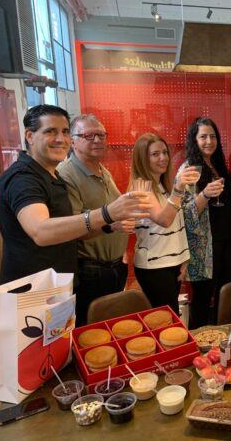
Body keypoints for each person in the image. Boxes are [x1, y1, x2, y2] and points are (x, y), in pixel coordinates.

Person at [0, 104, 149, 286]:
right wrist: (107, 213)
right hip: (31, 290)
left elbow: (70, 230)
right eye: (50, 131)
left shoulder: (52, 175)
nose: (61, 139)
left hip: (57, 284)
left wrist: (108, 226)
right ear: (30, 136)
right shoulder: (22, 178)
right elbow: (40, 231)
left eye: (65, 132)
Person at [57, 114, 134, 326]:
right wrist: (111, 226)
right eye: (89, 136)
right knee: (92, 332)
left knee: (113, 327)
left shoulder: (102, 170)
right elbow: (71, 228)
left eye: (101, 135)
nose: (97, 140)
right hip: (90, 272)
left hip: (114, 267)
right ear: (72, 141)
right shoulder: (66, 174)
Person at [179, 118, 231, 328]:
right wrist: (205, 194)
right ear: (194, 140)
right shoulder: (188, 169)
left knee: (227, 293)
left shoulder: (218, 165)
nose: (209, 141)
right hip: (203, 246)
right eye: (203, 136)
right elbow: (185, 212)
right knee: (203, 298)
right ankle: (197, 339)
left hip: (224, 240)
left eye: (213, 136)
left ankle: (224, 336)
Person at [130, 133, 196, 315]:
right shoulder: (141, 186)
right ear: (143, 159)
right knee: (166, 320)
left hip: (171, 264)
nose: (163, 158)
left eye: (165, 152)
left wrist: (183, 257)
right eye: (155, 154)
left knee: (170, 318)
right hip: (154, 267)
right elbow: (164, 220)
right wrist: (179, 188)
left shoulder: (162, 186)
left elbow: (177, 226)